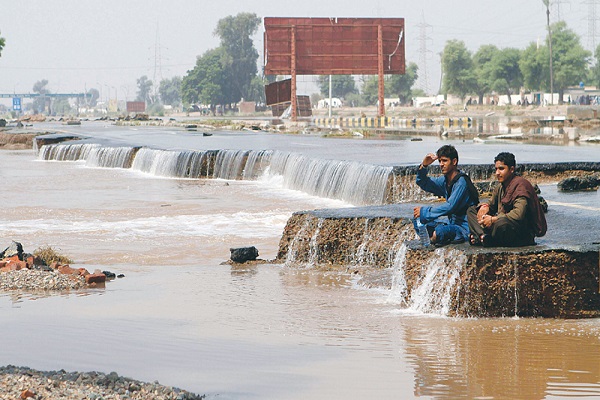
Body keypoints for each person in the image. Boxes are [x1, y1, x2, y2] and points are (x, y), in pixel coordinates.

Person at [467, 152, 547, 247]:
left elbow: (518, 214)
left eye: (501, 169)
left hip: (520, 232)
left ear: (511, 169)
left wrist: (493, 219)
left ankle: (482, 237)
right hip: (501, 226)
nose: (497, 173)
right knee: (471, 211)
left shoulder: (521, 186)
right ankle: (483, 237)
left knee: (501, 224)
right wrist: (485, 207)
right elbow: (491, 204)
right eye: (496, 169)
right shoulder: (500, 187)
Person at [413, 145, 479, 246]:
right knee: (418, 220)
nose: (441, 164)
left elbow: (450, 206)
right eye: (439, 161)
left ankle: (435, 237)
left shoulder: (461, 182)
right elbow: (423, 182)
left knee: (440, 231)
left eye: (444, 161)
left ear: (454, 162)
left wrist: (424, 211)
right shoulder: (444, 181)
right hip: (451, 224)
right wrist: (424, 166)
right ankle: (433, 237)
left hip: (464, 229)